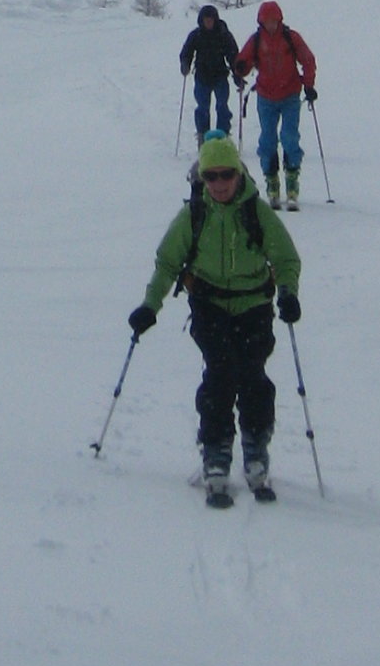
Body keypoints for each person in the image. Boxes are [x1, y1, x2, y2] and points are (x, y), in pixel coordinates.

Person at [127, 135, 301, 504]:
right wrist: (149, 306)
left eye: (226, 175)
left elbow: (285, 258)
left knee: (252, 375)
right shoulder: (193, 215)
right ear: (202, 178)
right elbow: (167, 264)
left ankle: (256, 445)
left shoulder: (257, 212)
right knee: (220, 375)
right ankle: (216, 450)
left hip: (254, 306)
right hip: (209, 307)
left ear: (239, 174)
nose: (219, 184)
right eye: (211, 176)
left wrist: (288, 293)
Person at [235, 0, 317, 209]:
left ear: (279, 20)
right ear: (261, 22)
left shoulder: (291, 37)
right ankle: (271, 181)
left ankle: (292, 180)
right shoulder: (256, 41)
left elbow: (308, 60)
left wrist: (309, 85)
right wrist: (241, 68)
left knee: (290, 137)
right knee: (267, 140)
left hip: (290, 94)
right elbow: (244, 60)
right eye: (267, 21)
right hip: (266, 97)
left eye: (274, 21)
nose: (271, 25)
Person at [177, 1, 239, 146]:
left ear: (215, 19)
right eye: (206, 20)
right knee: (202, 107)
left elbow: (233, 55)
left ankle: (222, 135)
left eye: (211, 19)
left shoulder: (223, 34)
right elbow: (187, 52)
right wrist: (185, 64)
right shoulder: (196, 35)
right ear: (202, 20)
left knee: (222, 106)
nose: (209, 22)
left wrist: (237, 73)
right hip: (202, 76)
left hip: (220, 76)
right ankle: (203, 135)